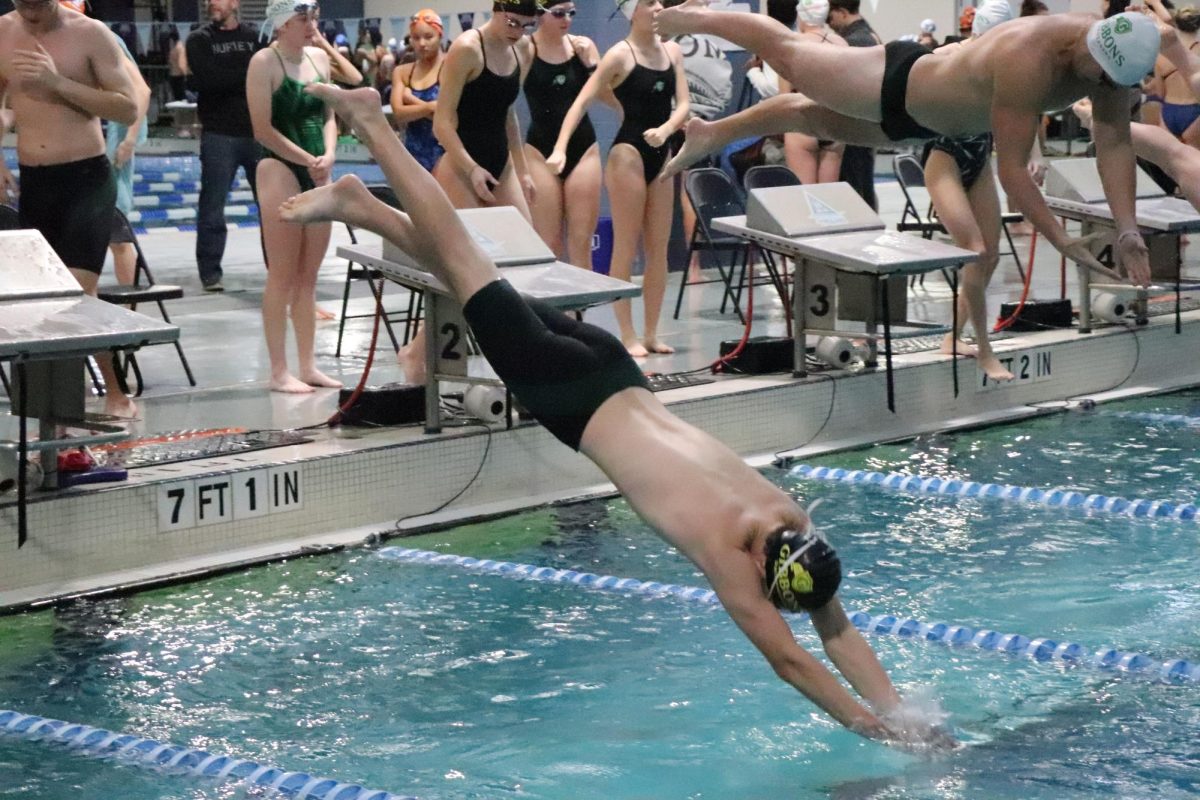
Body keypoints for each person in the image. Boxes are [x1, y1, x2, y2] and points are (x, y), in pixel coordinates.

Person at [280, 83, 957, 751]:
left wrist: (899, 708)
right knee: (461, 255)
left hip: (611, 368)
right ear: (762, 567)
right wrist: (871, 726)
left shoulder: (789, 518)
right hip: (566, 391)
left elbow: (831, 624)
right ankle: (374, 129)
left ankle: (363, 208)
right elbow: (791, 660)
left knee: (474, 274)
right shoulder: (730, 554)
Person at [654, 3, 1157, 286]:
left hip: (924, 125)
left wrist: (1128, 228)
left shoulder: (1111, 74)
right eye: (1105, 76)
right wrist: (1059, 237)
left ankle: (713, 133)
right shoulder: (1030, 58)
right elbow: (1012, 173)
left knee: (810, 115)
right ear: (1091, 44)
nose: (1107, 88)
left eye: (1118, 83)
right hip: (896, 81)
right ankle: (693, 17)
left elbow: (1113, 143)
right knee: (789, 56)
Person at [0, 0, 140, 418]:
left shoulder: (90, 34)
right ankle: (56, 413)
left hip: (87, 180)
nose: (31, 14)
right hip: (36, 183)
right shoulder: (3, 32)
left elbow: (127, 106)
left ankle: (114, 391)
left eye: (38, 5)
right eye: (22, 5)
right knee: (43, 301)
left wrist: (55, 82)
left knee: (79, 295)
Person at [549, 0, 690, 357]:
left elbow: (684, 104)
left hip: (663, 153)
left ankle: (651, 332)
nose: (657, 7)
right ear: (632, 11)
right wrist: (561, 147)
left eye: (660, 1)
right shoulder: (618, 55)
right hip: (627, 155)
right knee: (627, 245)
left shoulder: (673, 51)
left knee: (658, 248)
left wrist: (669, 128)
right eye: (649, 2)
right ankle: (627, 334)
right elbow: (581, 101)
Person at [246, 0, 341, 394]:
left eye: (314, 18)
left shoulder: (320, 57)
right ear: (282, 23)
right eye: (303, 18)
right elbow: (262, 130)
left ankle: (307, 365)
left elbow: (331, 115)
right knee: (282, 276)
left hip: (319, 169)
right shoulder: (263, 63)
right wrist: (307, 159)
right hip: (279, 170)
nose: (311, 25)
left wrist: (330, 155)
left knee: (308, 279)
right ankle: (278, 371)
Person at [920, 0, 1016, 382]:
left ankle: (952, 338)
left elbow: (1021, 111)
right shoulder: (950, 55)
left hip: (980, 159)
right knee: (976, 252)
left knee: (989, 256)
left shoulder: (1009, 65)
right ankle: (985, 351)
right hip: (944, 156)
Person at [432, 0, 536, 216]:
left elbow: (508, 112)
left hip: (501, 164)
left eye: (526, 26)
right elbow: (441, 123)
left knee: (525, 245)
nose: (517, 32)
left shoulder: (524, 48)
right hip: (459, 167)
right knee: (468, 248)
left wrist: (523, 171)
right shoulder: (467, 49)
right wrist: (472, 169)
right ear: (496, 11)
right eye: (512, 22)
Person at [186, 0, 263, 292]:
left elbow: (268, 76)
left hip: (258, 133)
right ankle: (210, 273)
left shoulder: (256, 36)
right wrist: (250, 73)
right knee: (212, 208)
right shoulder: (199, 39)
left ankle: (280, 268)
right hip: (218, 134)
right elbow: (209, 81)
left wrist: (231, 77)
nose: (209, 4)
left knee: (270, 207)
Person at [524, 0, 604, 269]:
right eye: (558, 13)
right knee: (548, 244)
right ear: (539, 14)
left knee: (581, 243)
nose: (566, 19)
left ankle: (579, 313)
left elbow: (608, 95)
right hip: (539, 151)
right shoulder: (525, 49)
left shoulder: (584, 46)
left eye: (571, 13)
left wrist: (592, 65)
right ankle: (553, 312)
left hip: (583, 149)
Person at [780, 0, 847, 185]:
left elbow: (785, 97)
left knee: (806, 198)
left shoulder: (792, 45)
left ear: (800, 15)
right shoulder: (841, 43)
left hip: (804, 123)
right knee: (829, 200)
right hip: (835, 126)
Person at [825, 0, 880, 209]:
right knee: (863, 183)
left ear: (842, 12)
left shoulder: (854, 41)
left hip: (854, 126)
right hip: (867, 123)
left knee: (855, 187)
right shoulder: (871, 35)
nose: (829, 24)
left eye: (830, 18)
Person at [390, 8, 445, 173]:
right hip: (413, 155)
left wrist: (411, 99)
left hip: (446, 154)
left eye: (429, 37)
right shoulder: (402, 72)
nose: (422, 43)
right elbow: (398, 113)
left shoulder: (451, 67)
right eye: (416, 38)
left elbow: (450, 117)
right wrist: (431, 107)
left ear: (440, 36)